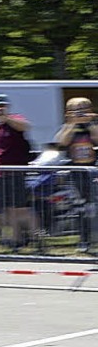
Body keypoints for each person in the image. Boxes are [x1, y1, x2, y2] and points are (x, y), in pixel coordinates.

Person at [0, 94, 38, 249]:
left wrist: (6, 117)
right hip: (1, 173)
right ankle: (17, 240)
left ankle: (37, 237)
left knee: (22, 208)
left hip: (16, 171)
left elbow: (25, 126)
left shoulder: (15, 119)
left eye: (1, 106)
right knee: (8, 210)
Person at [54, 97, 98, 253]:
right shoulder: (67, 127)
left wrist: (90, 122)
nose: (80, 113)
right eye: (76, 110)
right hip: (76, 173)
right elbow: (61, 142)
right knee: (81, 208)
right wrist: (72, 123)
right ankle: (84, 240)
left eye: (84, 109)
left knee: (94, 207)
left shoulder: (92, 125)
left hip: (92, 169)